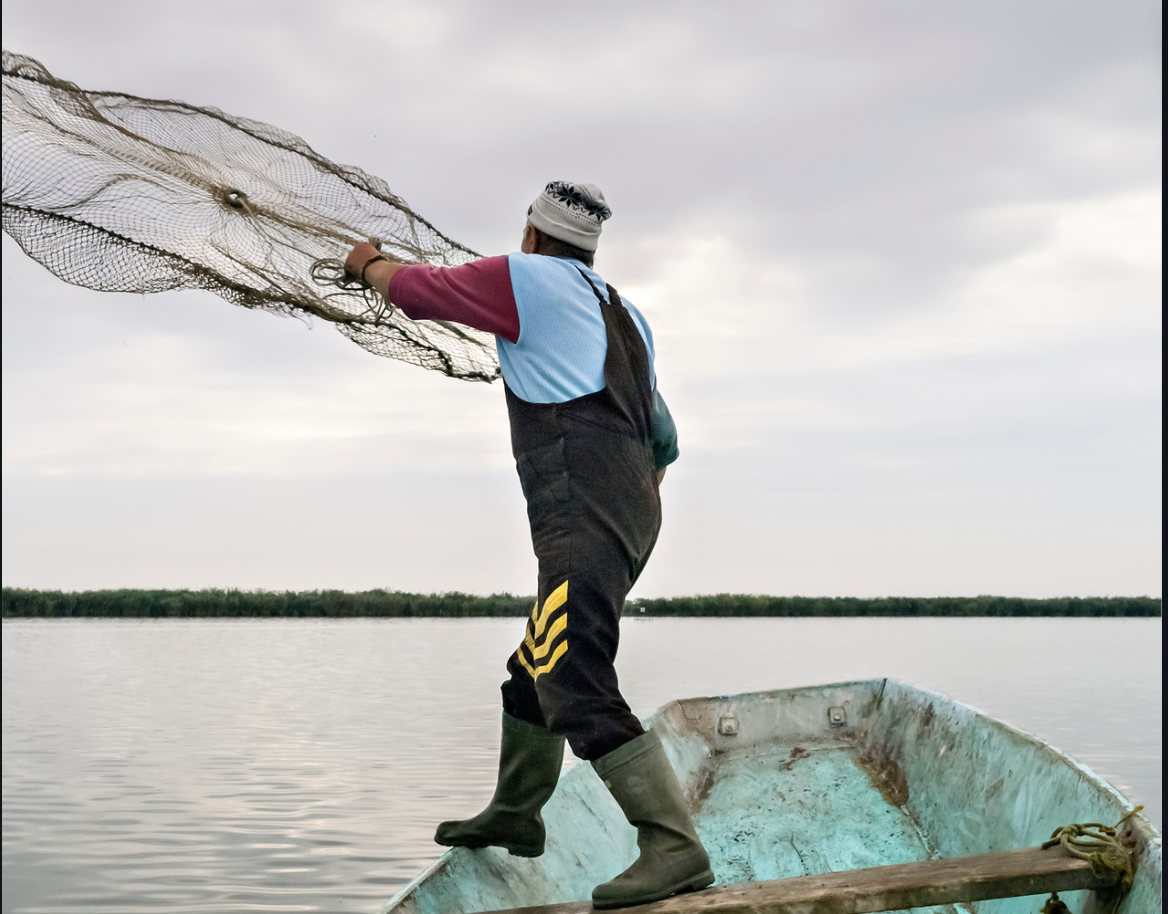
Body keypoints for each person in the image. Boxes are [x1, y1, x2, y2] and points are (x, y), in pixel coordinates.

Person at [344, 181, 713, 908]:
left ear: (534, 236)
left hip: (583, 512)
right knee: (536, 662)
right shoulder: (623, 313)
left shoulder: (523, 276)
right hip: (631, 510)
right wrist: (627, 503)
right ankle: (517, 811)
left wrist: (367, 265)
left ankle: (676, 846)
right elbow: (664, 437)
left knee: (571, 669)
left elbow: (417, 292)